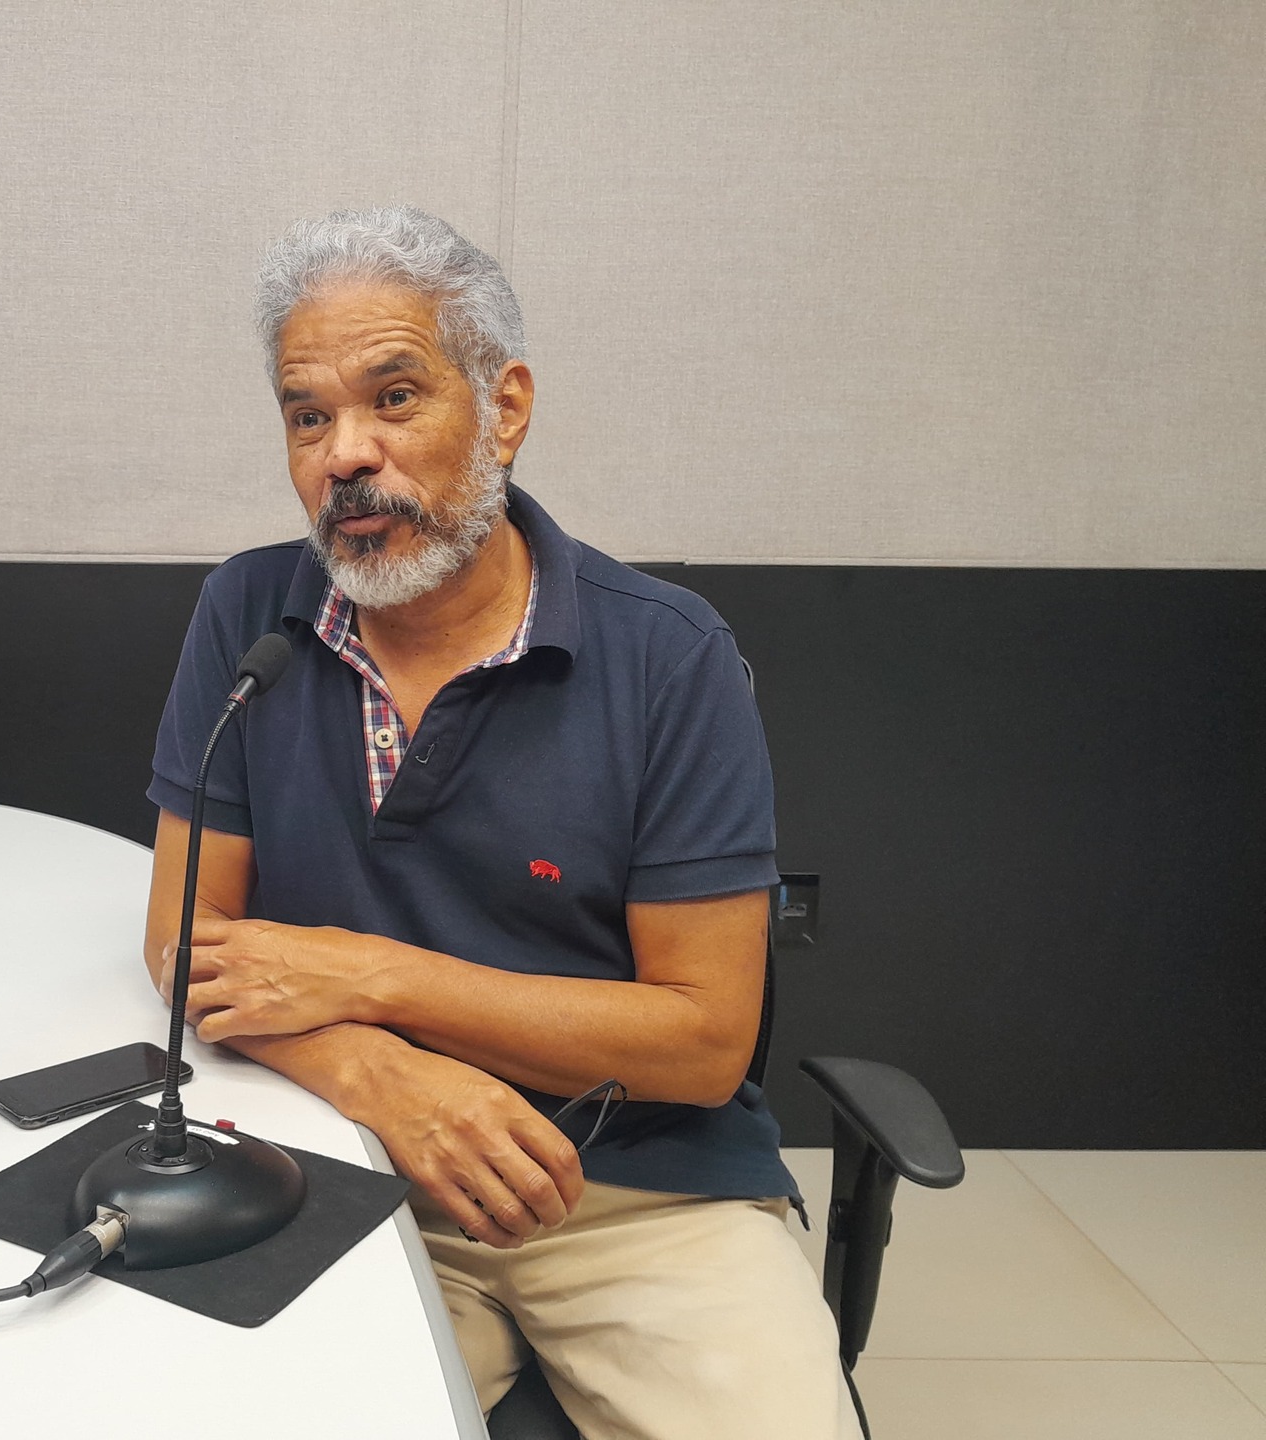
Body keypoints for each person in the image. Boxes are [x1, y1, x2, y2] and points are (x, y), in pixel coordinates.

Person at [143, 206, 860, 1439]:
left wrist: (369, 975)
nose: (344, 456)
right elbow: (181, 945)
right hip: (342, 1153)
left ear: (507, 408)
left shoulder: (667, 656)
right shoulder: (251, 613)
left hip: (641, 1189)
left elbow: (699, 1040)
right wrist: (377, 1073)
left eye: (395, 398)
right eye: (306, 416)